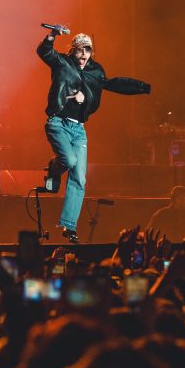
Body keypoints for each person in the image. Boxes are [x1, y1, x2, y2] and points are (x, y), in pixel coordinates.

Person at [37, 28, 150, 243]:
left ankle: (69, 226)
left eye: (87, 50)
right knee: (68, 160)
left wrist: (141, 87)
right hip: (57, 123)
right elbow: (44, 52)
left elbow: (113, 84)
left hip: (79, 129)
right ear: (73, 50)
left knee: (79, 178)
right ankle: (53, 169)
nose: (83, 55)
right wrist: (52, 34)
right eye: (79, 50)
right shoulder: (61, 62)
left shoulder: (96, 71)